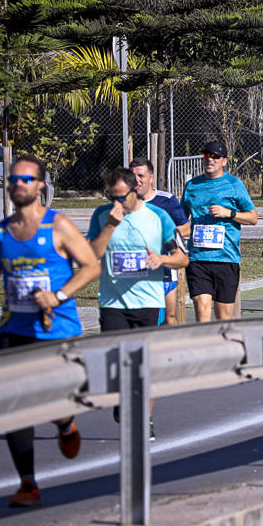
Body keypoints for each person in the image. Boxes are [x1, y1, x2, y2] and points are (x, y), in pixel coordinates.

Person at [0, 155, 100, 507]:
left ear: (40, 185)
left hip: (57, 329)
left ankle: (65, 424)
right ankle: (27, 483)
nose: (18, 185)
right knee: (15, 405)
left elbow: (91, 266)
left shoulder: (57, 225)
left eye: (25, 180)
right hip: (15, 329)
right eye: (13, 180)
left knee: (54, 400)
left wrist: (58, 295)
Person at [88, 167, 187, 437]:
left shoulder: (158, 217)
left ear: (136, 190)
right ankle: (123, 403)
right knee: (117, 364)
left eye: (121, 197)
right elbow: (92, 254)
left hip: (148, 302)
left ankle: (145, 418)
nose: (116, 203)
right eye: (112, 197)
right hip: (113, 303)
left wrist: (161, 259)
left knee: (145, 365)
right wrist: (110, 225)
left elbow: (182, 258)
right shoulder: (102, 215)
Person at [180, 140, 257, 323]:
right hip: (198, 259)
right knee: (202, 309)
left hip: (226, 258)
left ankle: (224, 349)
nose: (210, 160)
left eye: (215, 156)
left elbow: (253, 217)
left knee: (224, 318)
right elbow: (182, 219)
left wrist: (228, 213)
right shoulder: (192, 186)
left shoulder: (234, 184)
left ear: (224, 161)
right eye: (207, 155)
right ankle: (206, 349)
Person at [130, 157, 190, 324]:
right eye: (133, 176)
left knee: (168, 321)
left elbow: (186, 228)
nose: (137, 180)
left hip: (164, 271)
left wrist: (163, 234)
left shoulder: (167, 200)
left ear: (151, 177)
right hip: (134, 272)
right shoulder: (125, 201)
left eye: (141, 176)